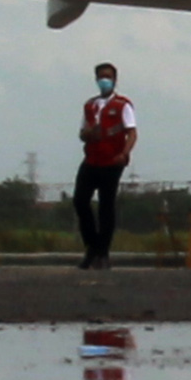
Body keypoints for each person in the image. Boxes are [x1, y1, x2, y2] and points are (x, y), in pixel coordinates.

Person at [71, 64, 136, 269]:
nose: (104, 80)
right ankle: (92, 245)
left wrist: (124, 153)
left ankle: (103, 252)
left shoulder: (122, 105)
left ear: (115, 79)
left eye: (107, 77)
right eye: (100, 77)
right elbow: (82, 133)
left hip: (112, 161)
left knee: (106, 206)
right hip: (91, 160)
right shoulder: (90, 105)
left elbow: (132, 132)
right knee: (80, 201)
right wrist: (88, 135)